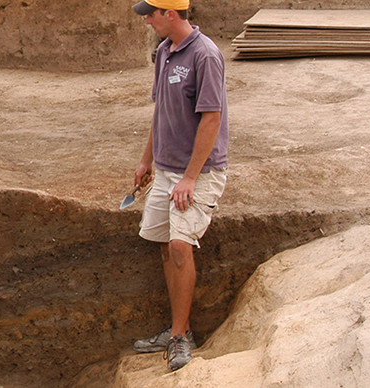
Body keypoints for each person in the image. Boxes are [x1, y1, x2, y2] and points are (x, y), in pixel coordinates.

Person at [127, 0, 229, 372]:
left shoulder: (205, 55)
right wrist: (146, 160)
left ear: (170, 13)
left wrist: (190, 177)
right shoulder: (163, 53)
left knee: (180, 245)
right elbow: (161, 111)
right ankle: (176, 328)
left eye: (151, 14)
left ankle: (180, 337)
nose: (148, 20)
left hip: (198, 173)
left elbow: (212, 118)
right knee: (165, 247)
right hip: (167, 168)